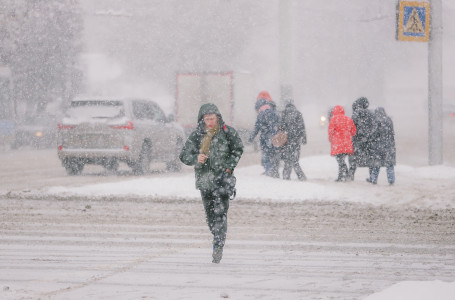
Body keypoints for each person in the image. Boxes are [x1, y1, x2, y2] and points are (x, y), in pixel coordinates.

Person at [179, 103, 243, 264]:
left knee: (220, 214)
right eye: (207, 119)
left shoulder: (227, 132)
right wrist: (195, 158)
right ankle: (216, 235)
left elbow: (238, 149)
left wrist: (229, 168)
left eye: (212, 118)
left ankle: (218, 245)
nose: (210, 122)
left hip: (222, 181)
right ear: (202, 119)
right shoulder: (197, 135)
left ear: (218, 117)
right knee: (210, 217)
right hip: (204, 182)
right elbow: (183, 155)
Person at [248, 91, 280, 178]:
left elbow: (256, 128)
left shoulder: (260, 114)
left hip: (265, 139)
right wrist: (275, 135)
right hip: (274, 138)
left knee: (266, 156)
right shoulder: (273, 112)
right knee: (274, 155)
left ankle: (268, 172)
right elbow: (277, 124)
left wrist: (251, 138)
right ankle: (274, 171)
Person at [348, 97, 376, 181]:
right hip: (369, 140)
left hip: (357, 140)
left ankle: (351, 175)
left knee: (354, 159)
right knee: (370, 158)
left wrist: (355, 135)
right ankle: (372, 176)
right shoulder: (371, 114)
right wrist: (369, 136)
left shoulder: (355, 114)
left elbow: (351, 127)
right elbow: (374, 126)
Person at [278, 100, 307, 181]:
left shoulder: (283, 113)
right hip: (296, 140)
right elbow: (302, 127)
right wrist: (304, 138)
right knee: (295, 159)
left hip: (287, 140)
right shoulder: (298, 113)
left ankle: (286, 176)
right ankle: (301, 176)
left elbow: (281, 126)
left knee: (287, 159)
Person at [368, 107, 396, 185]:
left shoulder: (376, 121)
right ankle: (391, 179)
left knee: (376, 164)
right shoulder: (389, 120)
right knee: (389, 164)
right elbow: (392, 133)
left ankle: (373, 179)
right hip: (389, 145)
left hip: (378, 146)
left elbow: (373, 134)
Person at [328, 105, 357, 182]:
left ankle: (342, 175)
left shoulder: (333, 119)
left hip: (337, 143)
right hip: (347, 143)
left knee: (340, 160)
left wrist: (331, 140)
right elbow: (354, 131)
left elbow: (331, 132)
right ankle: (343, 175)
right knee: (342, 160)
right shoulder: (348, 119)